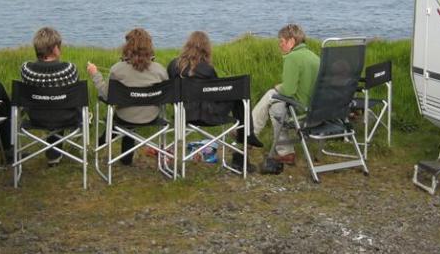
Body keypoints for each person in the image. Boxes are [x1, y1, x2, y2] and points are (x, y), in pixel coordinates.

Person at [168, 30, 262, 167]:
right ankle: (246, 135)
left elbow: (170, 92)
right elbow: (216, 94)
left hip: (182, 115)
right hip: (208, 116)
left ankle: (246, 135)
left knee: (236, 95)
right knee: (239, 95)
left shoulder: (173, 65)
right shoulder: (207, 69)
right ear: (206, 49)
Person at [87, 28, 169, 166]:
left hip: (125, 116)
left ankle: (100, 145)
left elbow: (106, 96)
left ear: (127, 46)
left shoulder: (117, 69)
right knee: (129, 113)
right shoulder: (159, 70)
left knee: (123, 116)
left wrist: (95, 74)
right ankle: (125, 158)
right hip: (151, 116)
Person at [251, 23, 320, 175]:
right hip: (317, 110)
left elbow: (288, 91)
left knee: (273, 100)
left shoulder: (292, 58)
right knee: (275, 102)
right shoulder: (314, 57)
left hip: (301, 109)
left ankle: (250, 133)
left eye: (281, 41)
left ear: (291, 41)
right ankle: (255, 135)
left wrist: (278, 88)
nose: (280, 45)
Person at [20, 26, 79, 164]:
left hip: (36, 117)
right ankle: (54, 154)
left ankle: (53, 154)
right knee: (59, 106)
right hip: (65, 117)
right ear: (55, 48)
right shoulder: (69, 69)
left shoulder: (26, 69)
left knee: (53, 106)